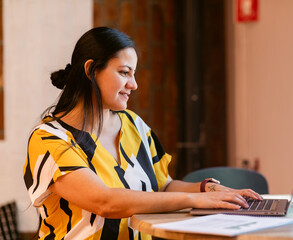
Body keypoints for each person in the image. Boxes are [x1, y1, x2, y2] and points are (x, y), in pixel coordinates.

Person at [23, 27, 262, 240]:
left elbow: (163, 186)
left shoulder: (133, 125)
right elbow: (104, 201)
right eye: (124, 72)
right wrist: (195, 200)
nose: (134, 84)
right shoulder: (49, 138)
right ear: (91, 70)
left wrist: (210, 190)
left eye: (133, 74)